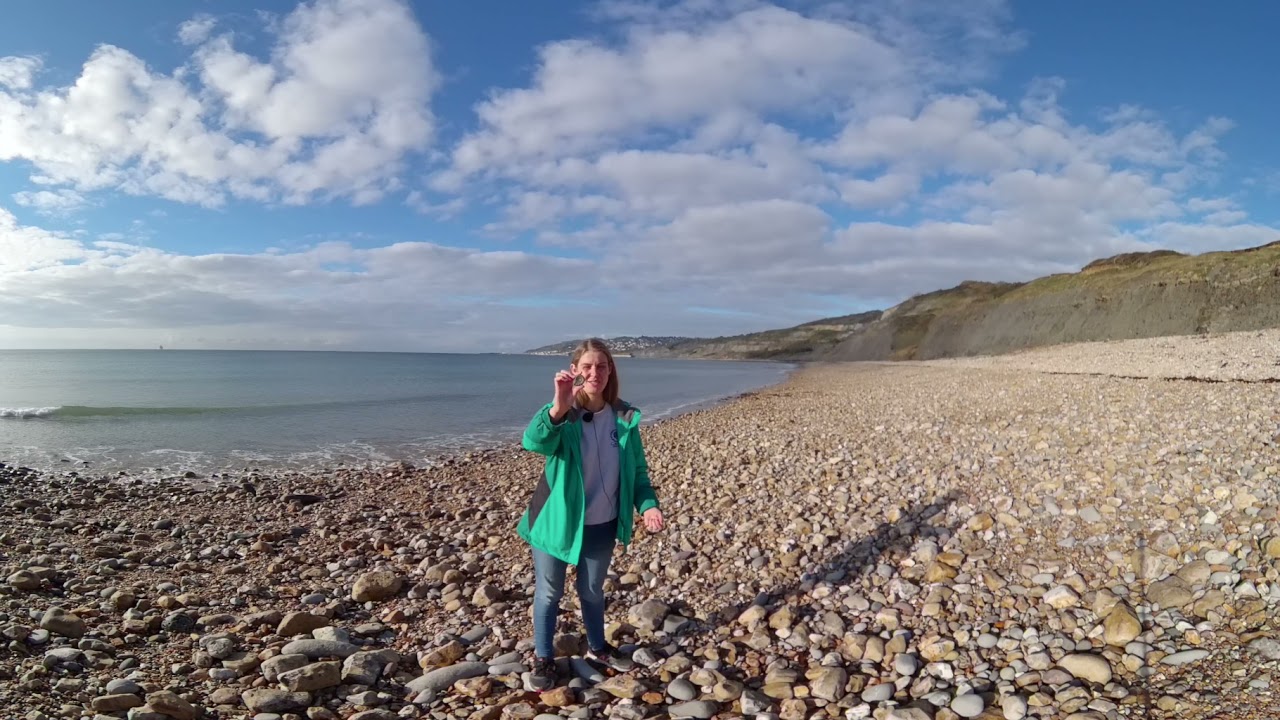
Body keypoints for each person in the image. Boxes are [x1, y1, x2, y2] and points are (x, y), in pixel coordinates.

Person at [517, 338, 665, 682]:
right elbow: (533, 442)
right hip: (555, 522)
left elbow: (638, 474)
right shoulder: (562, 415)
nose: (594, 372)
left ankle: (597, 648)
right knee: (550, 592)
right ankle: (543, 658)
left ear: (610, 369)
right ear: (575, 371)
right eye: (587, 366)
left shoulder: (624, 418)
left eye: (601, 365)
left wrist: (648, 506)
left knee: (593, 591)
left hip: (602, 524)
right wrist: (557, 405)